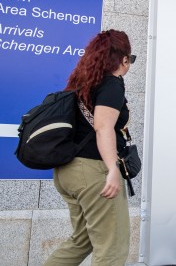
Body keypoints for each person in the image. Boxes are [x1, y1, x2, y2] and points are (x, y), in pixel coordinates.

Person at [44, 29, 134, 265]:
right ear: (123, 58)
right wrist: (113, 168)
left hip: (67, 172)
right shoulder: (112, 84)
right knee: (112, 247)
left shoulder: (82, 83)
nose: (129, 65)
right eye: (130, 59)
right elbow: (103, 128)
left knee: (81, 240)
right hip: (93, 171)